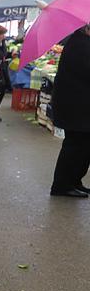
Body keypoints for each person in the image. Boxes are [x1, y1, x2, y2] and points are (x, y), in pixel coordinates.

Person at [49, 24, 90, 197]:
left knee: (83, 147)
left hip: (79, 105)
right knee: (74, 146)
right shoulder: (80, 44)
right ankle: (62, 185)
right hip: (76, 106)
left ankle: (74, 181)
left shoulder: (81, 42)